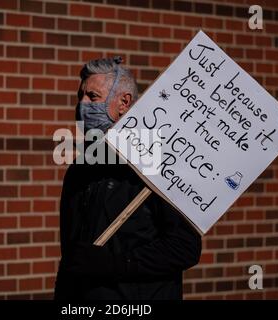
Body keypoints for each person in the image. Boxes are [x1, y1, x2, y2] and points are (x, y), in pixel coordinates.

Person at [54, 56, 202, 300]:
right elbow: (71, 255)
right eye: (79, 97)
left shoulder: (158, 167)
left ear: (124, 103)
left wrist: (116, 263)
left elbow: (184, 248)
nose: (81, 105)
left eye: (92, 97)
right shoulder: (80, 170)